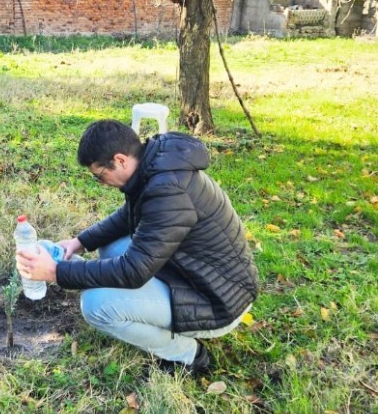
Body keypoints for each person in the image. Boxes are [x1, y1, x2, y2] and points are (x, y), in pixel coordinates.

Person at [16, 120, 258, 375]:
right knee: (110, 246)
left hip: (218, 299)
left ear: (120, 160)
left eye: (100, 176)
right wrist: (80, 242)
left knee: (96, 306)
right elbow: (128, 217)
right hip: (194, 274)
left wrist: (56, 273)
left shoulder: (167, 190)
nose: (101, 183)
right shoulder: (157, 164)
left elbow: (133, 272)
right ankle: (78, 273)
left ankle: (188, 356)